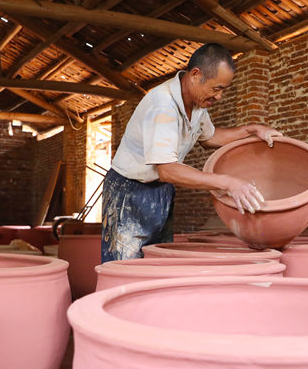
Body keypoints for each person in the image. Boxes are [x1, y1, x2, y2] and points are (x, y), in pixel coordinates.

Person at [101, 43, 282, 262]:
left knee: (157, 259)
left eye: (223, 89)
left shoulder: (197, 104)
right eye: (217, 89)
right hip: (129, 190)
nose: (219, 97)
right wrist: (228, 183)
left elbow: (209, 137)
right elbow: (167, 170)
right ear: (196, 75)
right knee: (126, 265)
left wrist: (251, 130)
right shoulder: (163, 106)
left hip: (161, 188)